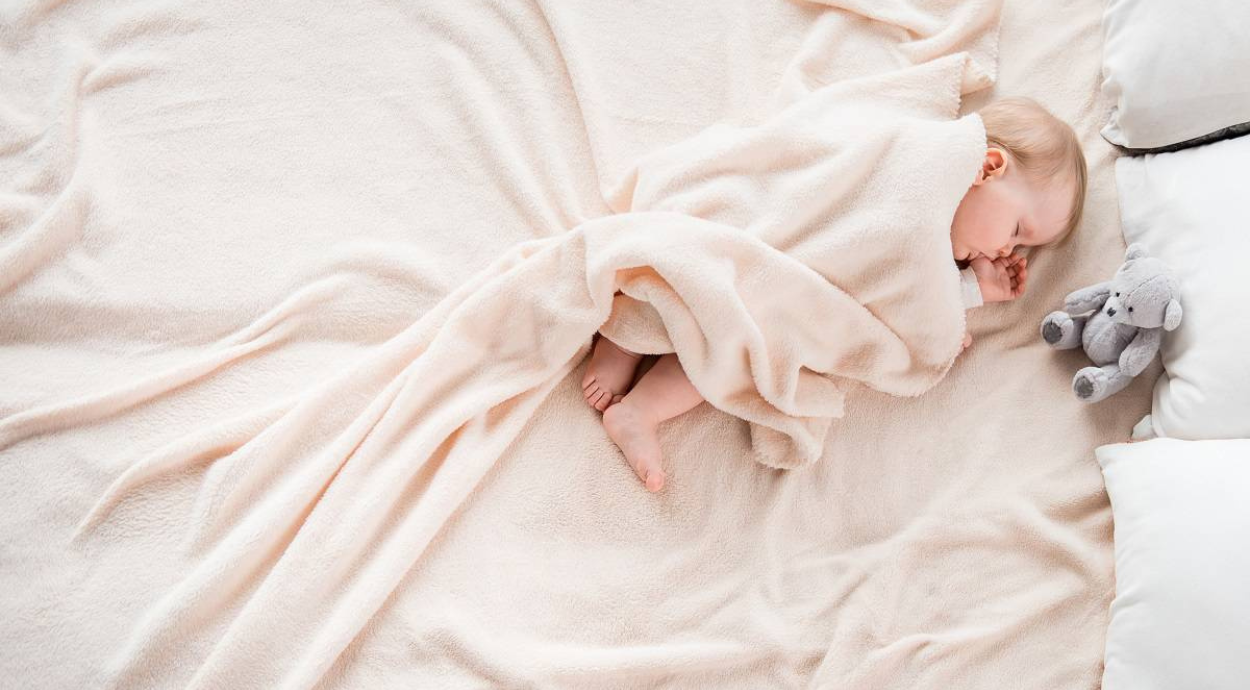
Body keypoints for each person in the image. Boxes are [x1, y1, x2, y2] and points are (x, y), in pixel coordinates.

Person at [582, 97, 1088, 492]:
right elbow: (909, 283)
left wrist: (973, 285)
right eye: (1017, 228)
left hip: (787, 280)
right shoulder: (919, 169)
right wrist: (953, 308)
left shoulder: (944, 243)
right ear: (988, 167)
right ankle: (625, 338)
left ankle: (640, 410)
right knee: (704, 275)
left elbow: (886, 291)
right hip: (775, 215)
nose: (1007, 248)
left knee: (753, 330)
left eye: (1022, 245)